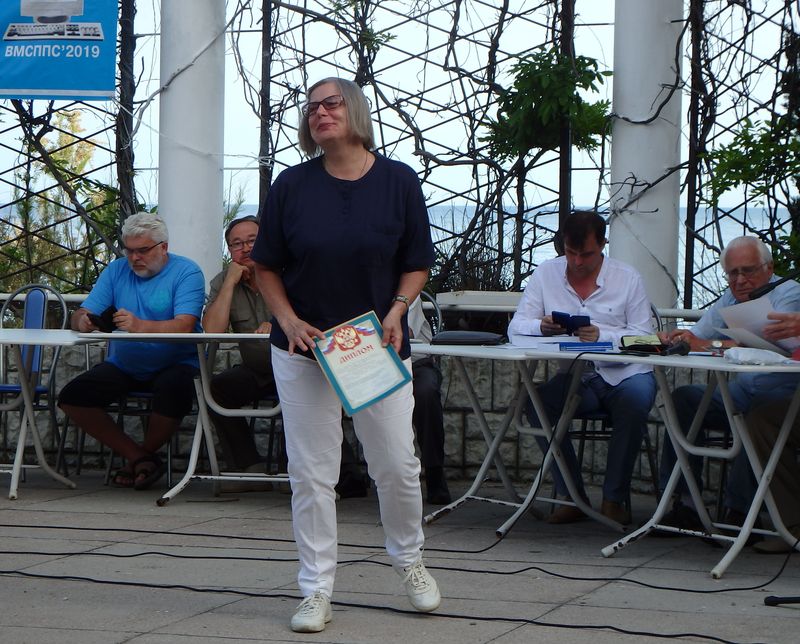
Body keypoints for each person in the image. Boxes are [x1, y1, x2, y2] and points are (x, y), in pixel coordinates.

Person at [250, 77, 441, 633]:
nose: (319, 113)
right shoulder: (291, 185)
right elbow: (265, 265)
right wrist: (287, 320)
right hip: (304, 348)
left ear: (355, 110)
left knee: (397, 465)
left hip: (375, 347)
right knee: (311, 474)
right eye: (311, 107)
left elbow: (417, 261)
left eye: (330, 103)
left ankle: (410, 561)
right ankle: (316, 590)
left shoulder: (399, 181)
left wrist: (398, 309)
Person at [507, 210, 657, 526]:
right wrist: (540, 327)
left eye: (586, 254)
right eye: (570, 252)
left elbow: (645, 338)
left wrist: (604, 335)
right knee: (536, 402)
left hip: (626, 372)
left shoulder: (627, 277)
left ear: (602, 245)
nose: (576, 261)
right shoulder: (546, 273)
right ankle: (571, 495)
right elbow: (516, 327)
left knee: (635, 400)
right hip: (577, 376)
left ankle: (613, 498)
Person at [656, 237, 800, 530]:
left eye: (748, 271)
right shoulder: (730, 298)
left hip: (783, 392)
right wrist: (679, 337)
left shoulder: (788, 293)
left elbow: (770, 342)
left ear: (769, 267)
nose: (741, 280)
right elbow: (698, 336)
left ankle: (740, 512)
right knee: (683, 400)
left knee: (760, 413)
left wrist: (710, 344)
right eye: (733, 273)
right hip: (743, 391)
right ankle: (685, 503)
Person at [58, 213, 204, 490]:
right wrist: (84, 321)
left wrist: (139, 326)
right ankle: (139, 457)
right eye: (129, 250)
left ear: (163, 247)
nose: (135, 257)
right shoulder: (116, 271)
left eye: (143, 250)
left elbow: (185, 325)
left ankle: (139, 459)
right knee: (72, 396)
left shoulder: (187, 272)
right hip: (126, 364)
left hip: (178, 362)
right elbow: (81, 313)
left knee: (173, 387)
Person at [202, 215, 278, 484]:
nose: (245, 248)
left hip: (294, 364)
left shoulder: (287, 271)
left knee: (305, 390)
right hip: (256, 369)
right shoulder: (223, 280)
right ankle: (248, 468)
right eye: (236, 244)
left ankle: (292, 472)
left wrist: (278, 324)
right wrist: (230, 283)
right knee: (217, 389)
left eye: (252, 241)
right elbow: (212, 331)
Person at [408, 295, 451, 504]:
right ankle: (347, 472)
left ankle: (435, 474)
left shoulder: (407, 290)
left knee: (426, 393)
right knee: (326, 387)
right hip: (372, 363)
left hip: (416, 363)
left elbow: (402, 331)